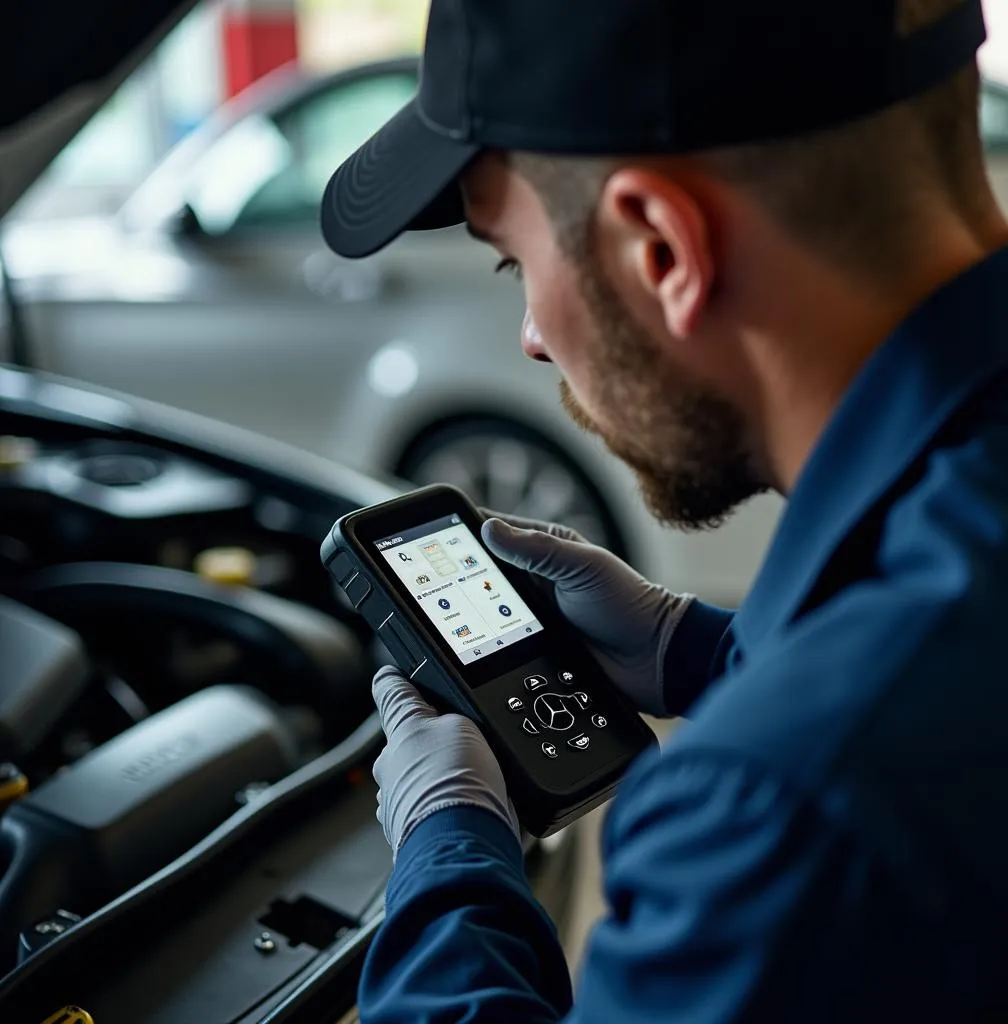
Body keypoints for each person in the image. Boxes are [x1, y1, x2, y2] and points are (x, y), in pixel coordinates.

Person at [320, 0, 1008, 1020]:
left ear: (661, 250)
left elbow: (864, 744)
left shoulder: (774, 819)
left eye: (517, 262)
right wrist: (695, 650)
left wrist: (449, 844)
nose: (532, 338)